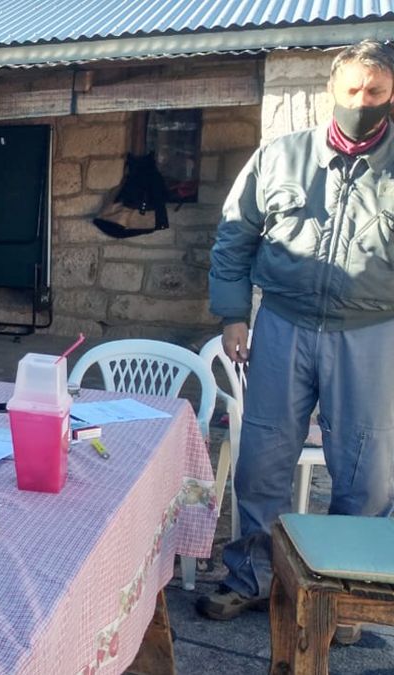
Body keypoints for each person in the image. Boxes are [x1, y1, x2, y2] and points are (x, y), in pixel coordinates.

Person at [200, 39, 394, 638]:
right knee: (262, 460)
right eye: (352, 89)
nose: (361, 101)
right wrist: (234, 316)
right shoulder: (280, 157)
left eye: (376, 92)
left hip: (371, 332)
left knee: (364, 473)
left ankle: (344, 596)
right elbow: (234, 238)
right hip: (282, 324)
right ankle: (252, 578)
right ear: (331, 90)